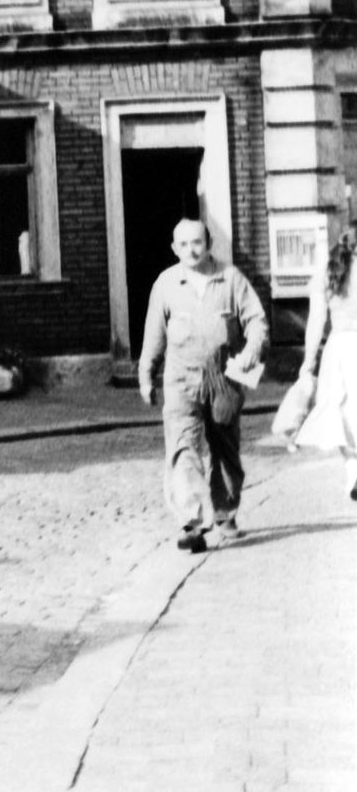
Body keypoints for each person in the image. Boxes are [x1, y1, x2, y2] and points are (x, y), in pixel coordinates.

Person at [138, 217, 268, 553]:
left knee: (225, 449)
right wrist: (146, 374)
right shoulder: (166, 284)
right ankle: (192, 522)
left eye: (197, 242)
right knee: (183, 448)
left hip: (224, 379)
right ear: (174, 248)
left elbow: (256, 320)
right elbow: (154, 334)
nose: (191, 250)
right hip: (181, 380)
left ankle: (225, 513)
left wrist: (252, 350)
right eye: (183, 244)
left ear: (208, 244)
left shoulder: (231, 278)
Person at [290, 227, 357, 492]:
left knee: (339, 412)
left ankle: (353, 470)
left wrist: (308, 362)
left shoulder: (326, 272)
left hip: (339, 349)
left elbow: (316, 321)